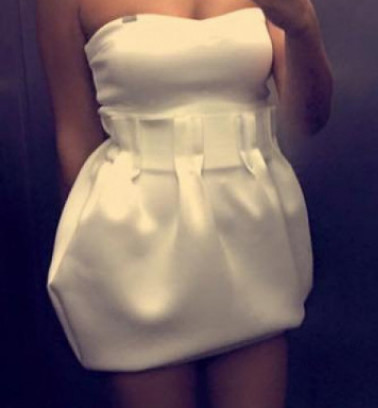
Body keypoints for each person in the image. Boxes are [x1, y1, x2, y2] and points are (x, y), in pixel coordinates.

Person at [35, 0, 333, 407]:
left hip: (251, 237)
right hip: (134, 245)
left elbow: (305, 122)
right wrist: (86, 270)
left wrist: (303, 28)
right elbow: (74, 136)